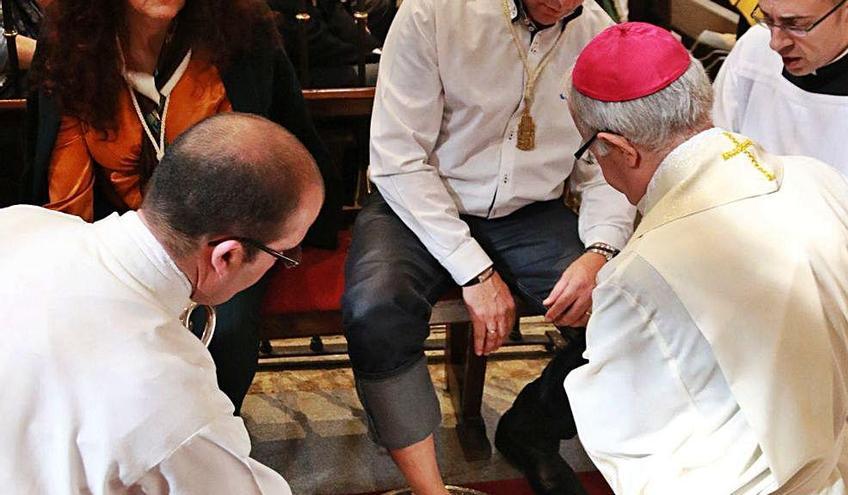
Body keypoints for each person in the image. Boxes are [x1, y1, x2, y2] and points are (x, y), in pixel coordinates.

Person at [563, 22, 848, 494]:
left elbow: (632, 453)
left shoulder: (638, 277)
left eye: (593, 154)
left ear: (620, 148)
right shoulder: (827, 187)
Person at [341, 0, 635, 493]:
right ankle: (428, 488)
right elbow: (397, 158)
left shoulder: (597, 34)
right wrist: (476, 273)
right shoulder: (433, 12)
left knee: (625, 307)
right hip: (417, 200)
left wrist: (601, 251)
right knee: (375, 310)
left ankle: (532, 429)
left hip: (531, 209)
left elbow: (602, 161)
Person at [25, 0, 342, 414]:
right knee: (98, 317)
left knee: (224, 326)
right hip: (124, 234)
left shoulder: (244, 38)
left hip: (226, 235)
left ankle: (212, 434)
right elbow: (67, 196)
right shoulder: (72, 48)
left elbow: (276, 154)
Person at [0, 113, 323, 494]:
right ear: (228, 257)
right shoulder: (176, 408)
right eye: (287, 253)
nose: (286, 265)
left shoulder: (21, 222)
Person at [713, 0, 848, 488]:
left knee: (843, 467)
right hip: (751, 293)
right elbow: (715, 156)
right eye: (767, 18)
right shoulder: (751, 56)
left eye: (796, 25)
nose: (776, 41)